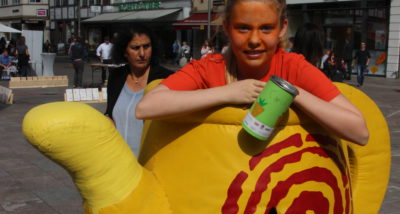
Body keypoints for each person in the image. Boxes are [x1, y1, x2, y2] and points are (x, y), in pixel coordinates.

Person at [136, 0, 369, 149]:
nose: (255, 40)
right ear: (227, 27)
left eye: (266, 28)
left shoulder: (293, 67)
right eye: (243, 28)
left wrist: (293, 93)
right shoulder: (210, 67)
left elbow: (360, 132)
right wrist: (228, 93)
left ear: (283, 28)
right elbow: (146, 107)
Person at [105, 24, 173, 156]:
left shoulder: (166, 78)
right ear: (124, 51)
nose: (142, 54)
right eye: (135, 48)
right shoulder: (116, 76)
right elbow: (110, 113)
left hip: (151, 162)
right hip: (118, 160)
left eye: (146, 47)